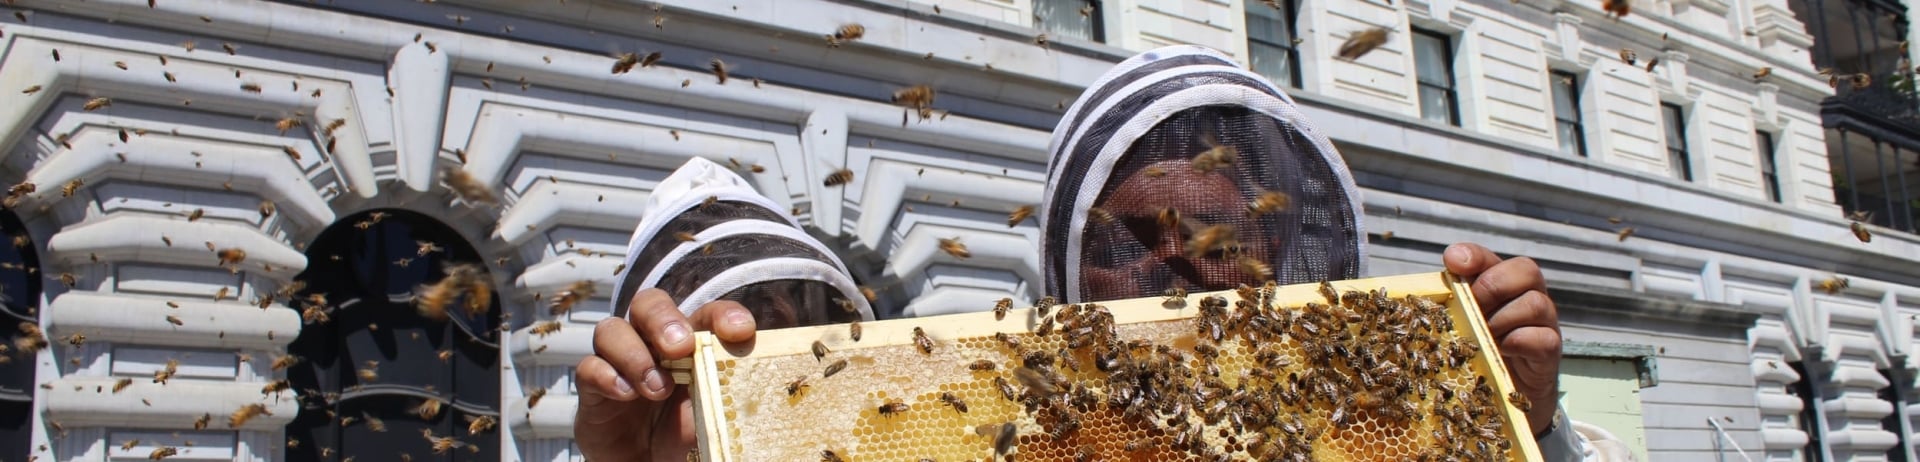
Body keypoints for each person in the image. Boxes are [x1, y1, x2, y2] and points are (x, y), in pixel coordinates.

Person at [575, 46, 1580, 460]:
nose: (1181, 265)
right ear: (1070, 267)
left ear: (1281, 248)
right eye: (1138, 236)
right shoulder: (965, 434)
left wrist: (1522, 427)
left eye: (1222, 237)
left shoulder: (1367, 429)